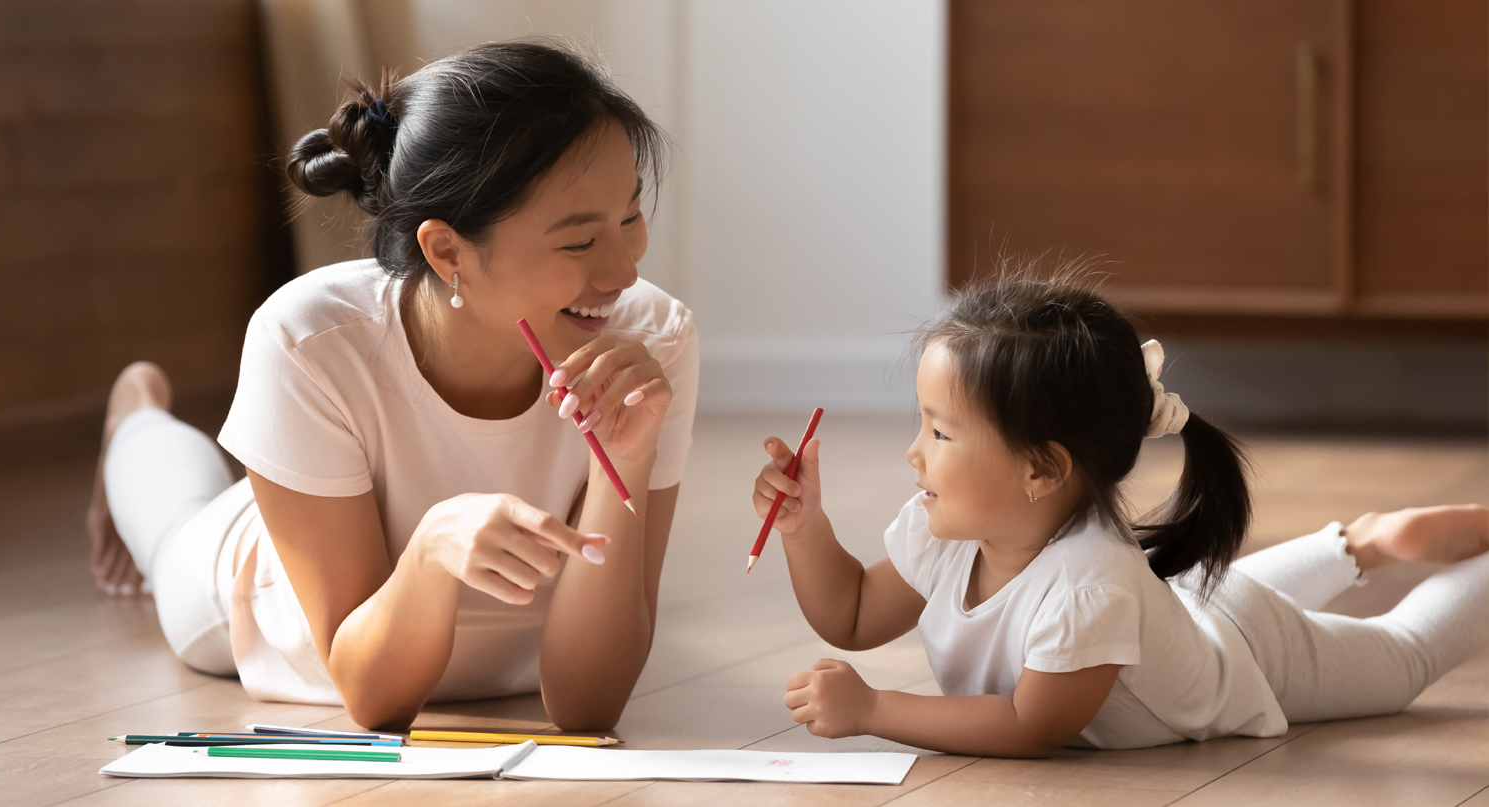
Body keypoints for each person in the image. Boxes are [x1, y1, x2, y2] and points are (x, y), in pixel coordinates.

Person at [84, 41, 698, 731]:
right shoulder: (309, 340)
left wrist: (627, 459)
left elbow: (589, 706)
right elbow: (373, 697)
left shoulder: (653, 339)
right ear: (447, 250)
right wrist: (429, 550)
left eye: (630, 217)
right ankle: (134, 415)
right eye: (580, 243)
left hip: (505, 663)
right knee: (173, 525)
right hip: (270, 607)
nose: (623, 272)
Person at [753, 270, 1488, 755]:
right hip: (1188, 604)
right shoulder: (950, 530)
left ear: (1042, 469)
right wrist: (804, 525)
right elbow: (852, 614)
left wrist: (874, 709)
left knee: (1404, 656)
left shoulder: (1090, 585)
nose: (914, 453)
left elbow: (1029, 724)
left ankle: (1376, 547)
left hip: (1247, 652)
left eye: (940, 433)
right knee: (1218, 601)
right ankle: (1360, 543)